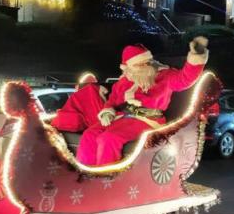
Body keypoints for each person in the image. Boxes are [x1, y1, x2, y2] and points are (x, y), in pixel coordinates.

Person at [76, 37, 209, 165]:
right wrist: (107, 112)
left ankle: (106, 179)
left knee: (108, 139)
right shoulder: (124, 81)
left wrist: (196, 56)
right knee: (89, 134)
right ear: (129, 67)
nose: (145, 66)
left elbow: (185, 79)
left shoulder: (164, 76)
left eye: (147, 62)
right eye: (140, 64)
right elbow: (112, 101)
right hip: (121, 117)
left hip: (147, 119)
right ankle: (85, 172)